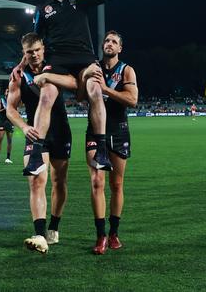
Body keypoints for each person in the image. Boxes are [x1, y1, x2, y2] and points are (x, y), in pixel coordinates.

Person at [25, 0, 116, 175]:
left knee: (95, 89)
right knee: (46, 96)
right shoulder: (42, 10)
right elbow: (34, 40)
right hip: (57, 59)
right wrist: (21, 64)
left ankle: (102, 149)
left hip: (84, 57)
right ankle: (36, 154)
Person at [6, 33, 73, 254]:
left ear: (43, 48)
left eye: (37, 50)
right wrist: (24, 127)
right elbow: (10, 109)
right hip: (35, 133)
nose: (34, 55)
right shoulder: (18, 76)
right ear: (23, 54)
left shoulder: (55, 66)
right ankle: (40, 233)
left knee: (59, 182)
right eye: (29, 52)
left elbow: (74, 83)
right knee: (36, 181)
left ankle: (54, 226)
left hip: (60, 131)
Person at [83, 31, 137, 254]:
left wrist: (105, 90)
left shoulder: (126, 70)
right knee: (97, 182)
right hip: (95, 132)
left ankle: (114, 232)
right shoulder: (93, 67)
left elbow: (132, 100)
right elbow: (79, 94)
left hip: (119, 130)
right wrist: (85, 76)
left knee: (116, 185)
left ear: (120, 48)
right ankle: (100, 236)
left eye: (114, 42)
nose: (109, 44)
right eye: (107, 40)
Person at [0, 89, 13, 164]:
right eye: (7, 91)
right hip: (2, 121)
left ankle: (8, 158)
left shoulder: (13, 100)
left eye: (9, 91)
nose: (8, 92)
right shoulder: (0, 100)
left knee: (9, 140)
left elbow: (16, 110)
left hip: (10, 122)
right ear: (5, 92)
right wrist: (5, 109)